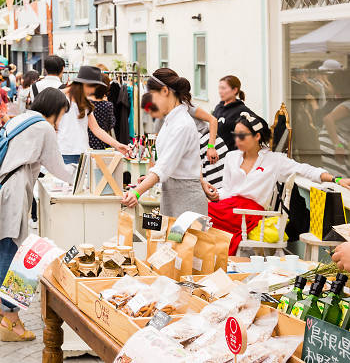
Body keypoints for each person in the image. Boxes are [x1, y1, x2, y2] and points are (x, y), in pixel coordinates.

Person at [0, 87, 74, 342]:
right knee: (16, 254)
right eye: (62, 114)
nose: (60, 121)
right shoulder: (43, 128)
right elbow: (58, 168)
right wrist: (83, 172)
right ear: (55, 110)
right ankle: (12, 320)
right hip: (14, 192)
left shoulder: (20, 118)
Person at [205, 112, 350, 254]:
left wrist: (335, 179)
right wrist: (215, 194)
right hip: (231, 208)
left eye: (242, 136)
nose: (237, 140)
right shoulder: (231, 157)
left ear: (257, 136)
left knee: (204, 215)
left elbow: (305, 170)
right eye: (235, 135)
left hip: (251, 212)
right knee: (201, 209)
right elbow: (227, 190)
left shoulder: (274, 160)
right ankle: (210, 259)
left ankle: (214, 259)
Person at [121, 68, 208, 217]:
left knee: (185, 240)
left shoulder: (182, 124)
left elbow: (164, 166)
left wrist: (137, 192)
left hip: (187, 200)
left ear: (165, 91)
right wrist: (148, 179)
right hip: (172, 195)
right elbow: (168, 164)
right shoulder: (170, 121)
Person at [142, 92, 226, 188]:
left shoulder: (185, 107)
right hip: (194, 154)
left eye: (152, 111)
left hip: (209, 145)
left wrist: (211, 147)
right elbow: (155, 149)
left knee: (218, 187)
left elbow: (213, 120)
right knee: (205, 189)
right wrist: (150, 176)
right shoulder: (159, 122)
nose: (152, 116)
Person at [57, 66, 130, 164]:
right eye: (94, 87)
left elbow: (96, 129)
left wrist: (117, 145)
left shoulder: (84, 101)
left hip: (83, 152)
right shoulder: (59, 97)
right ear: (85, 84)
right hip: (64, 152)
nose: (93, 91)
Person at [213, 75, 254, 151]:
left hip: (231, 155)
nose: (220, 91)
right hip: (215, 154)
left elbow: (258, 127)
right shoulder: (218, 107)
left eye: (223, 88)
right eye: (219, 88)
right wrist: (210, 147)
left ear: (235, 90)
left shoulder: (242, 110)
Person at [87, 74, 116, 150]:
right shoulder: (108, 105)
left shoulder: (86, 103)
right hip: (102, 141)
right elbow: (111, 124)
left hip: (87, 142)